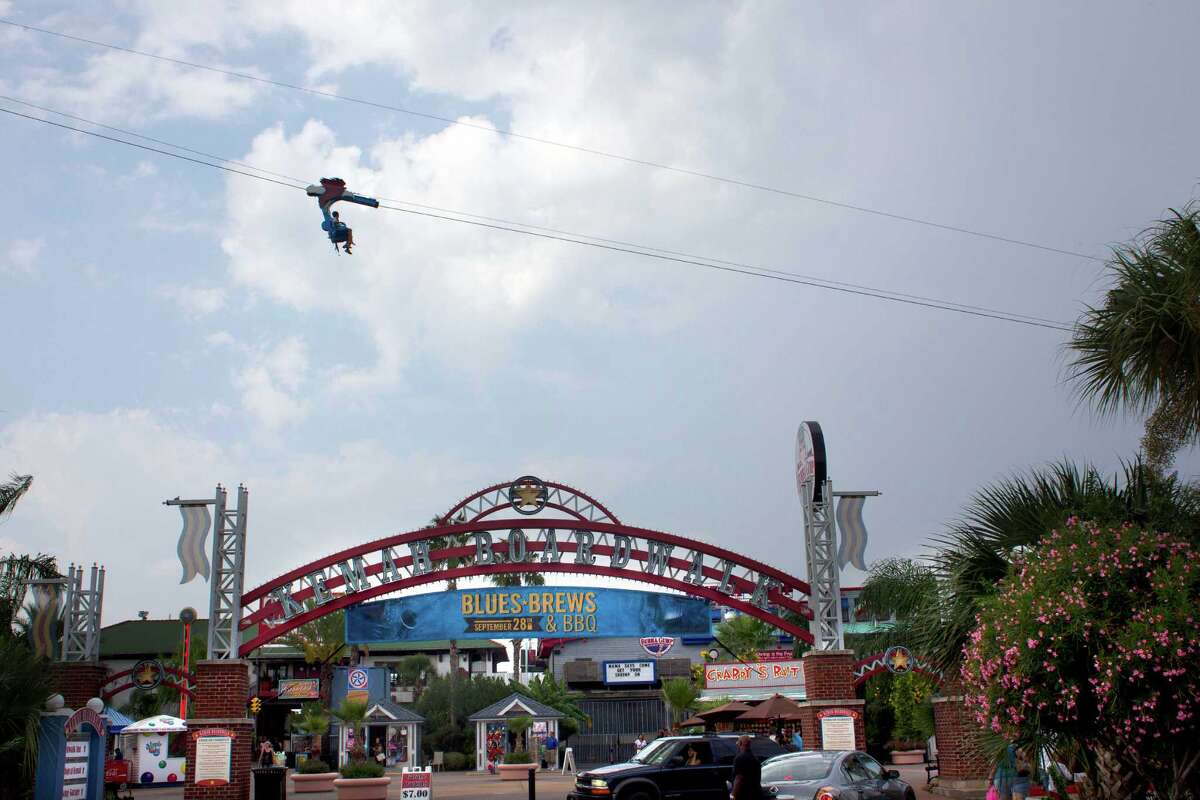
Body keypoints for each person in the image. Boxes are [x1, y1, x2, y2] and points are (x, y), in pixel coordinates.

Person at [730, 736, 761, 800]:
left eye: (738, 744)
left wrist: (733, 794)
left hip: (743, 794)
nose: (738, 746)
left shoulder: (740, 758)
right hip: (755, 793)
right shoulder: (754, 758)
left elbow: (739, 778)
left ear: (741, 743)